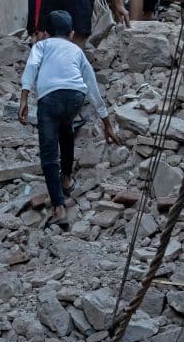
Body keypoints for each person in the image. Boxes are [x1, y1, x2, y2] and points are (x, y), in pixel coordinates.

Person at [19, 11, 117, 227]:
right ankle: (67, 178)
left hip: (50, 98)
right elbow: (92, 85)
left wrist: (24, 99)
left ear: (45, 33)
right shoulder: (77, 50)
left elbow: (31, 68)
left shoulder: (41, 46)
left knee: (48, 152)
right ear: (71, 34)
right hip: (75, 97)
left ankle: (59, 208)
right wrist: (106, 122)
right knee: (66, 129)